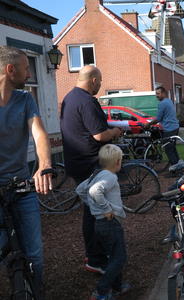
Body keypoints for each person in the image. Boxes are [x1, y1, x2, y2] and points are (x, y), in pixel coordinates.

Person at [0, 46, 53, 294]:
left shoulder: (25, 99)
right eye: (26, 67)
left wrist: (44, 165)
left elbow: (39, 132)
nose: (29, 73)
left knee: (34, 254)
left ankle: (37, 291)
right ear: (11, 70)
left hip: (21, 185)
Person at [60, 65, 122, 274]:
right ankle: (96, 259)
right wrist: (114, 131)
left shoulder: (70, 98)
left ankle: (93, 254)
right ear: (93, 80)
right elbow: (99, 135)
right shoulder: (87, 101)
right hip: (89, 163)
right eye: (100, 81)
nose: (101, 85)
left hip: (75, 162)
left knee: (89, 210)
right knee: (95, 212)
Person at [76, 144, 130, 300]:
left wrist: (93, 205)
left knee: (113, 256)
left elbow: (80, 189)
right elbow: (94, 191)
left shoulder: (97, 173)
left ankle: (117, 286)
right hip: (110, 223)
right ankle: (102, 291)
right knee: (119, 258)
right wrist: (105, 208)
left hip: (99, 224)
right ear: (117, 162)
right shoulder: (110, 177)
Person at [145, 86, 184, 172]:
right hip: (175, 127)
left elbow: (158, 118)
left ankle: (176, 169)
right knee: (172, 148)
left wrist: (148, 124)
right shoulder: (169, 101)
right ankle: (179, 165)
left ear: (163, 93)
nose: (157, 95)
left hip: (169, 129)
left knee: (168, 149)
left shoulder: (162, 103)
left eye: (158, 93)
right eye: (156, 94)